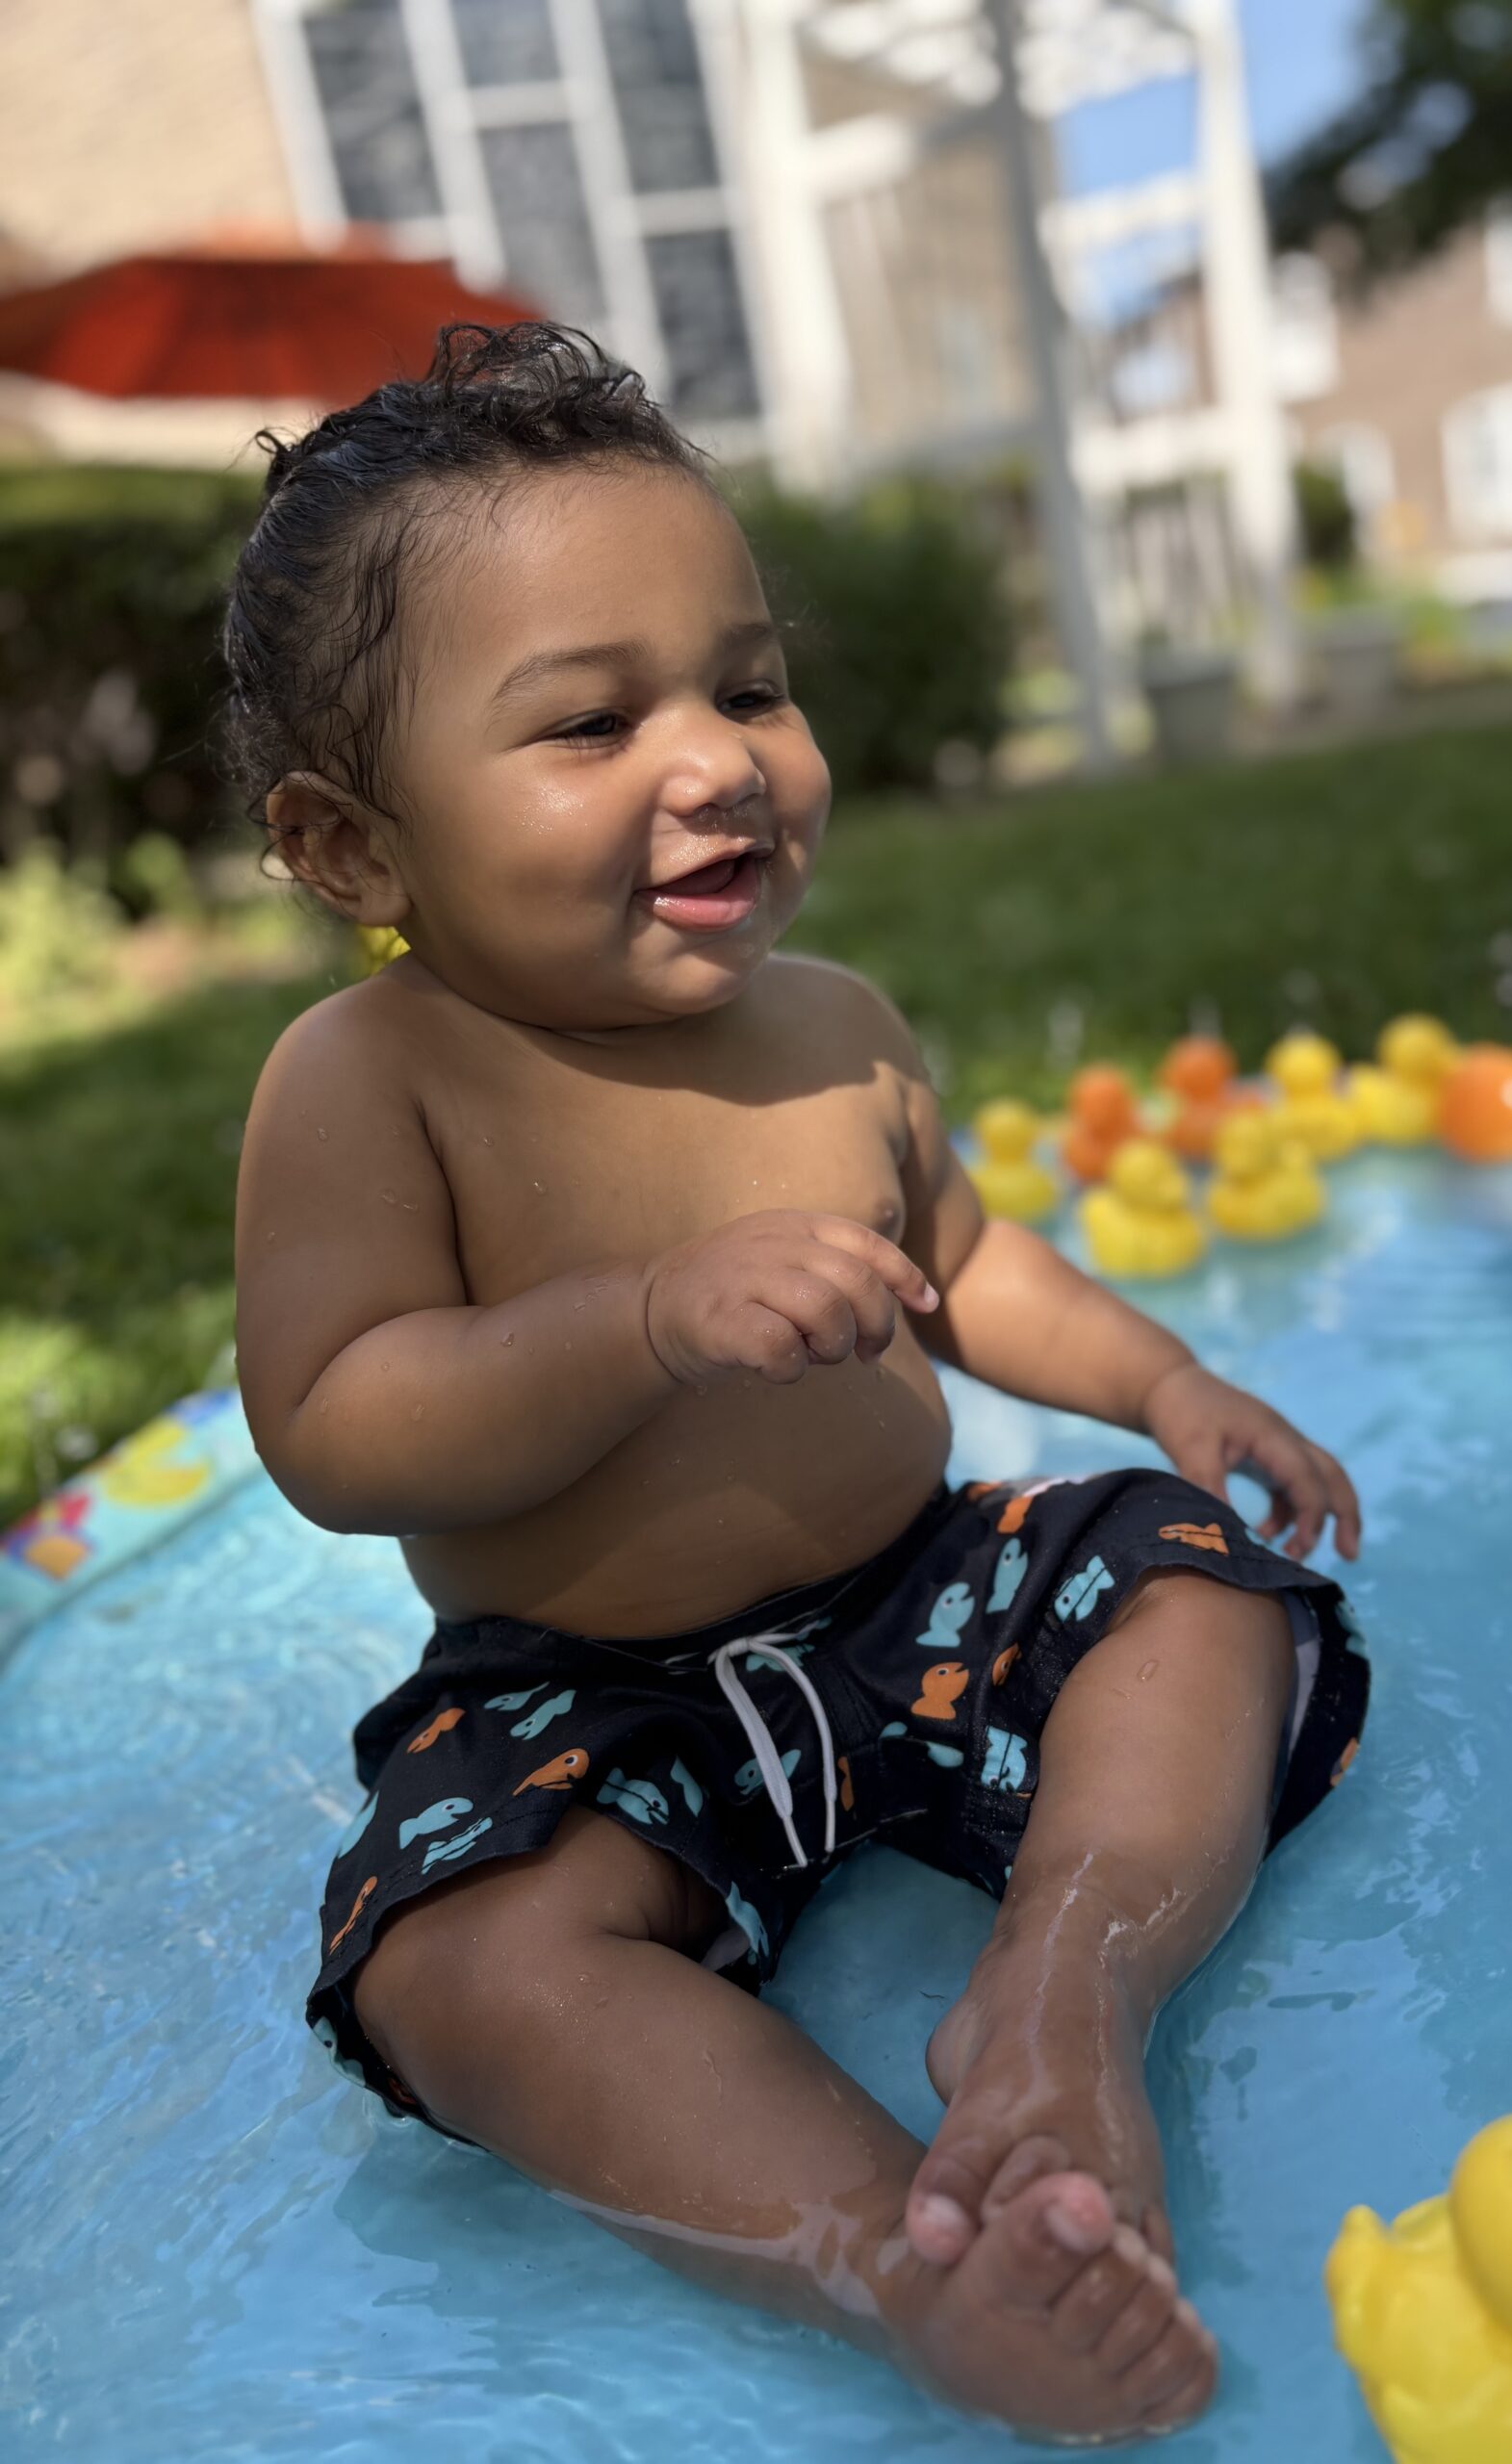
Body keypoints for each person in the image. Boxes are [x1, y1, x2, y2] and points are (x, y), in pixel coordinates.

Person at [225, 323, 1370, 2444]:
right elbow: (335, 1417)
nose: (717, 755)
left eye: (745, 683)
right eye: (591, 718)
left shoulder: (830, 1016)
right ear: (355, 848)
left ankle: (1059, 1992)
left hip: (916, 1595)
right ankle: (893, 2255)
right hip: (587, 1682)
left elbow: (965, 1260)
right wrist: (643, 1315)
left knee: (1200, 1592)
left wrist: (1168, 1381)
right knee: (453, 1957)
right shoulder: (370, 1078)